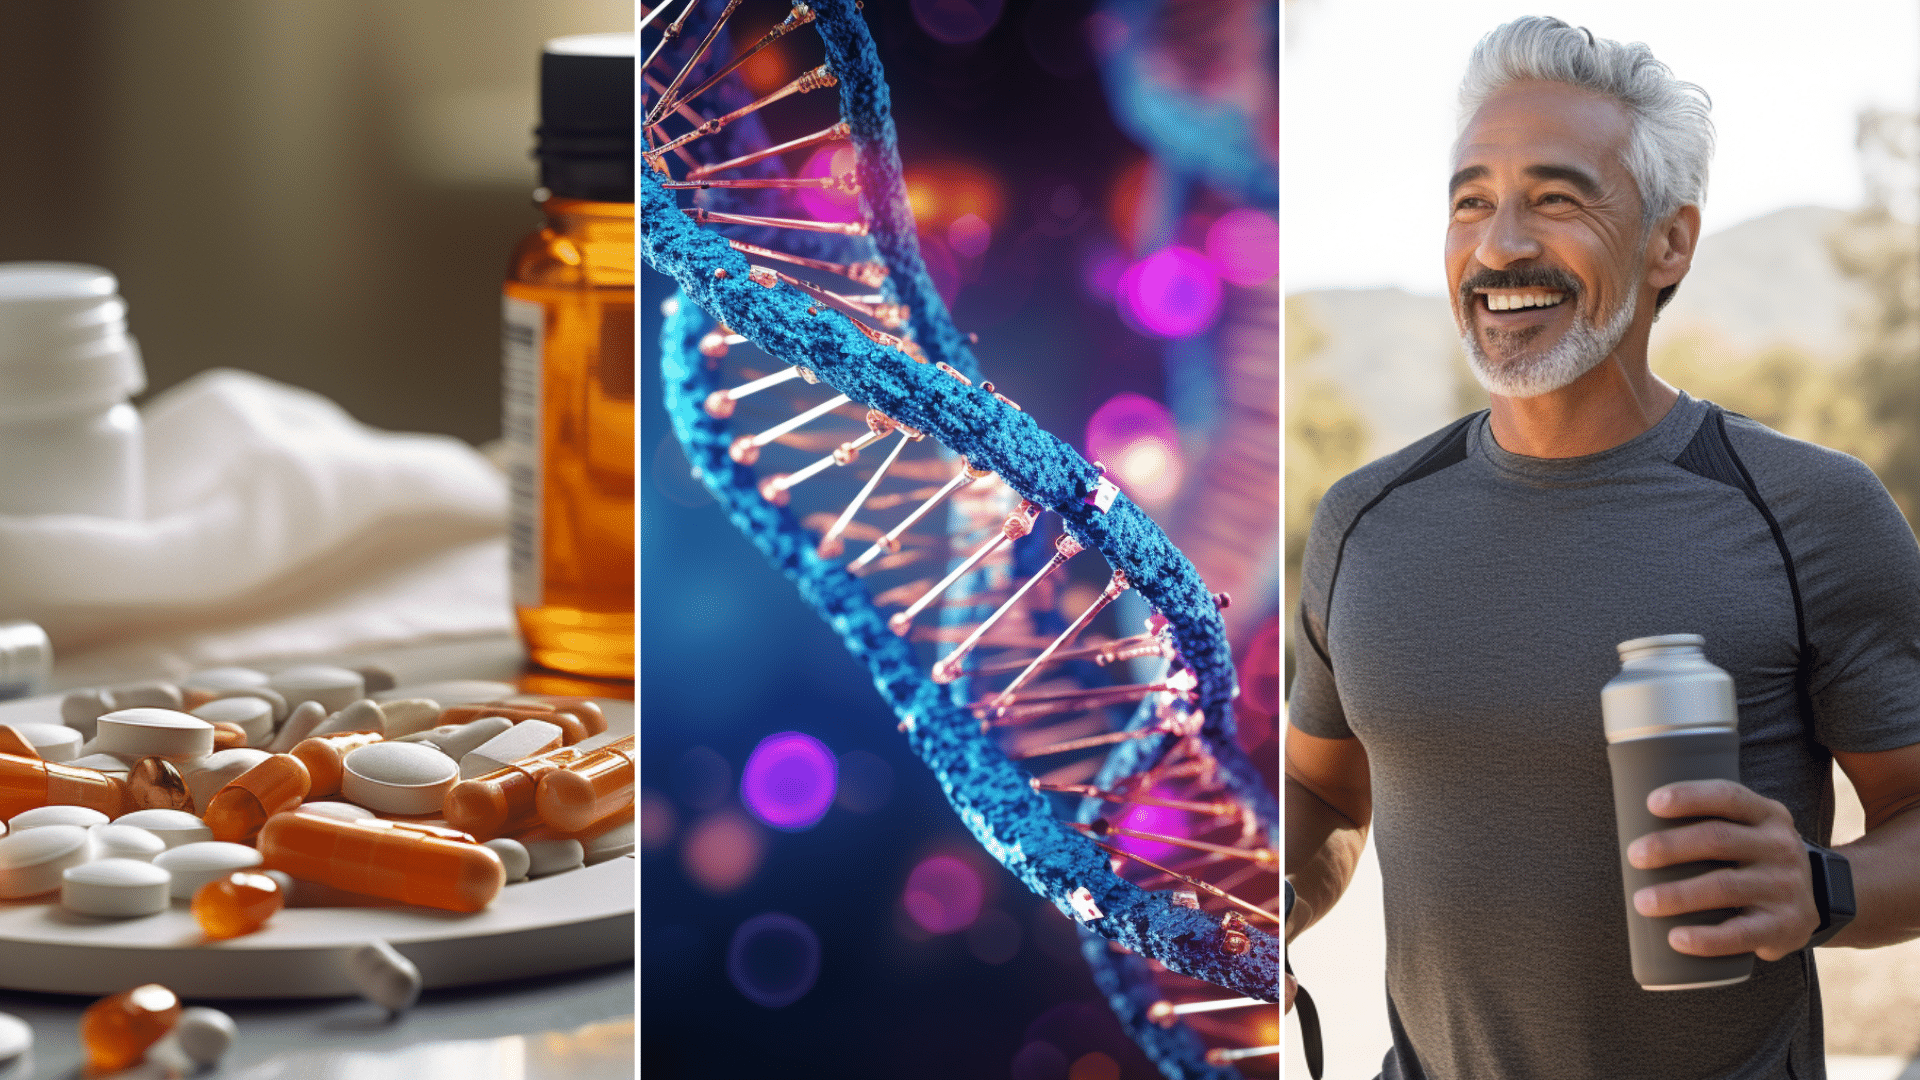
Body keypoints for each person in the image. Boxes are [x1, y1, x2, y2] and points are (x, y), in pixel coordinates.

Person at [1285, 16, 1920, 1080]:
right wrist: (1266, 908)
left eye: (1557, 196)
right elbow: (1323, 796)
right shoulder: (1365, 521)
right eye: (1471, 200)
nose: (1500, 247)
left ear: (1669, 240)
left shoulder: (1809, 508)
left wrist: (1822, 890)